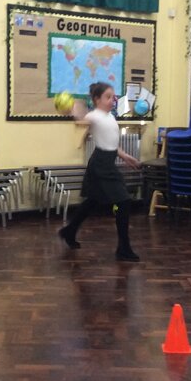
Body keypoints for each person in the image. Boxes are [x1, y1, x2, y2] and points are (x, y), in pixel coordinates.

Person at [58, 82, 141, 262]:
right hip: (101, 165)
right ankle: (124, 249)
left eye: (113, 96)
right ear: (97, 99)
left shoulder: (110, 116)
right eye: (108, 97)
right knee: (123, 202)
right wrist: (72, 110)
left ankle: (69, 231)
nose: (113, 99)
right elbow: (82, 121)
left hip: (106, 161)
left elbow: (111, 143)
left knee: (92, 202)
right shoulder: (94, 116)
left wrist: (126, 156)